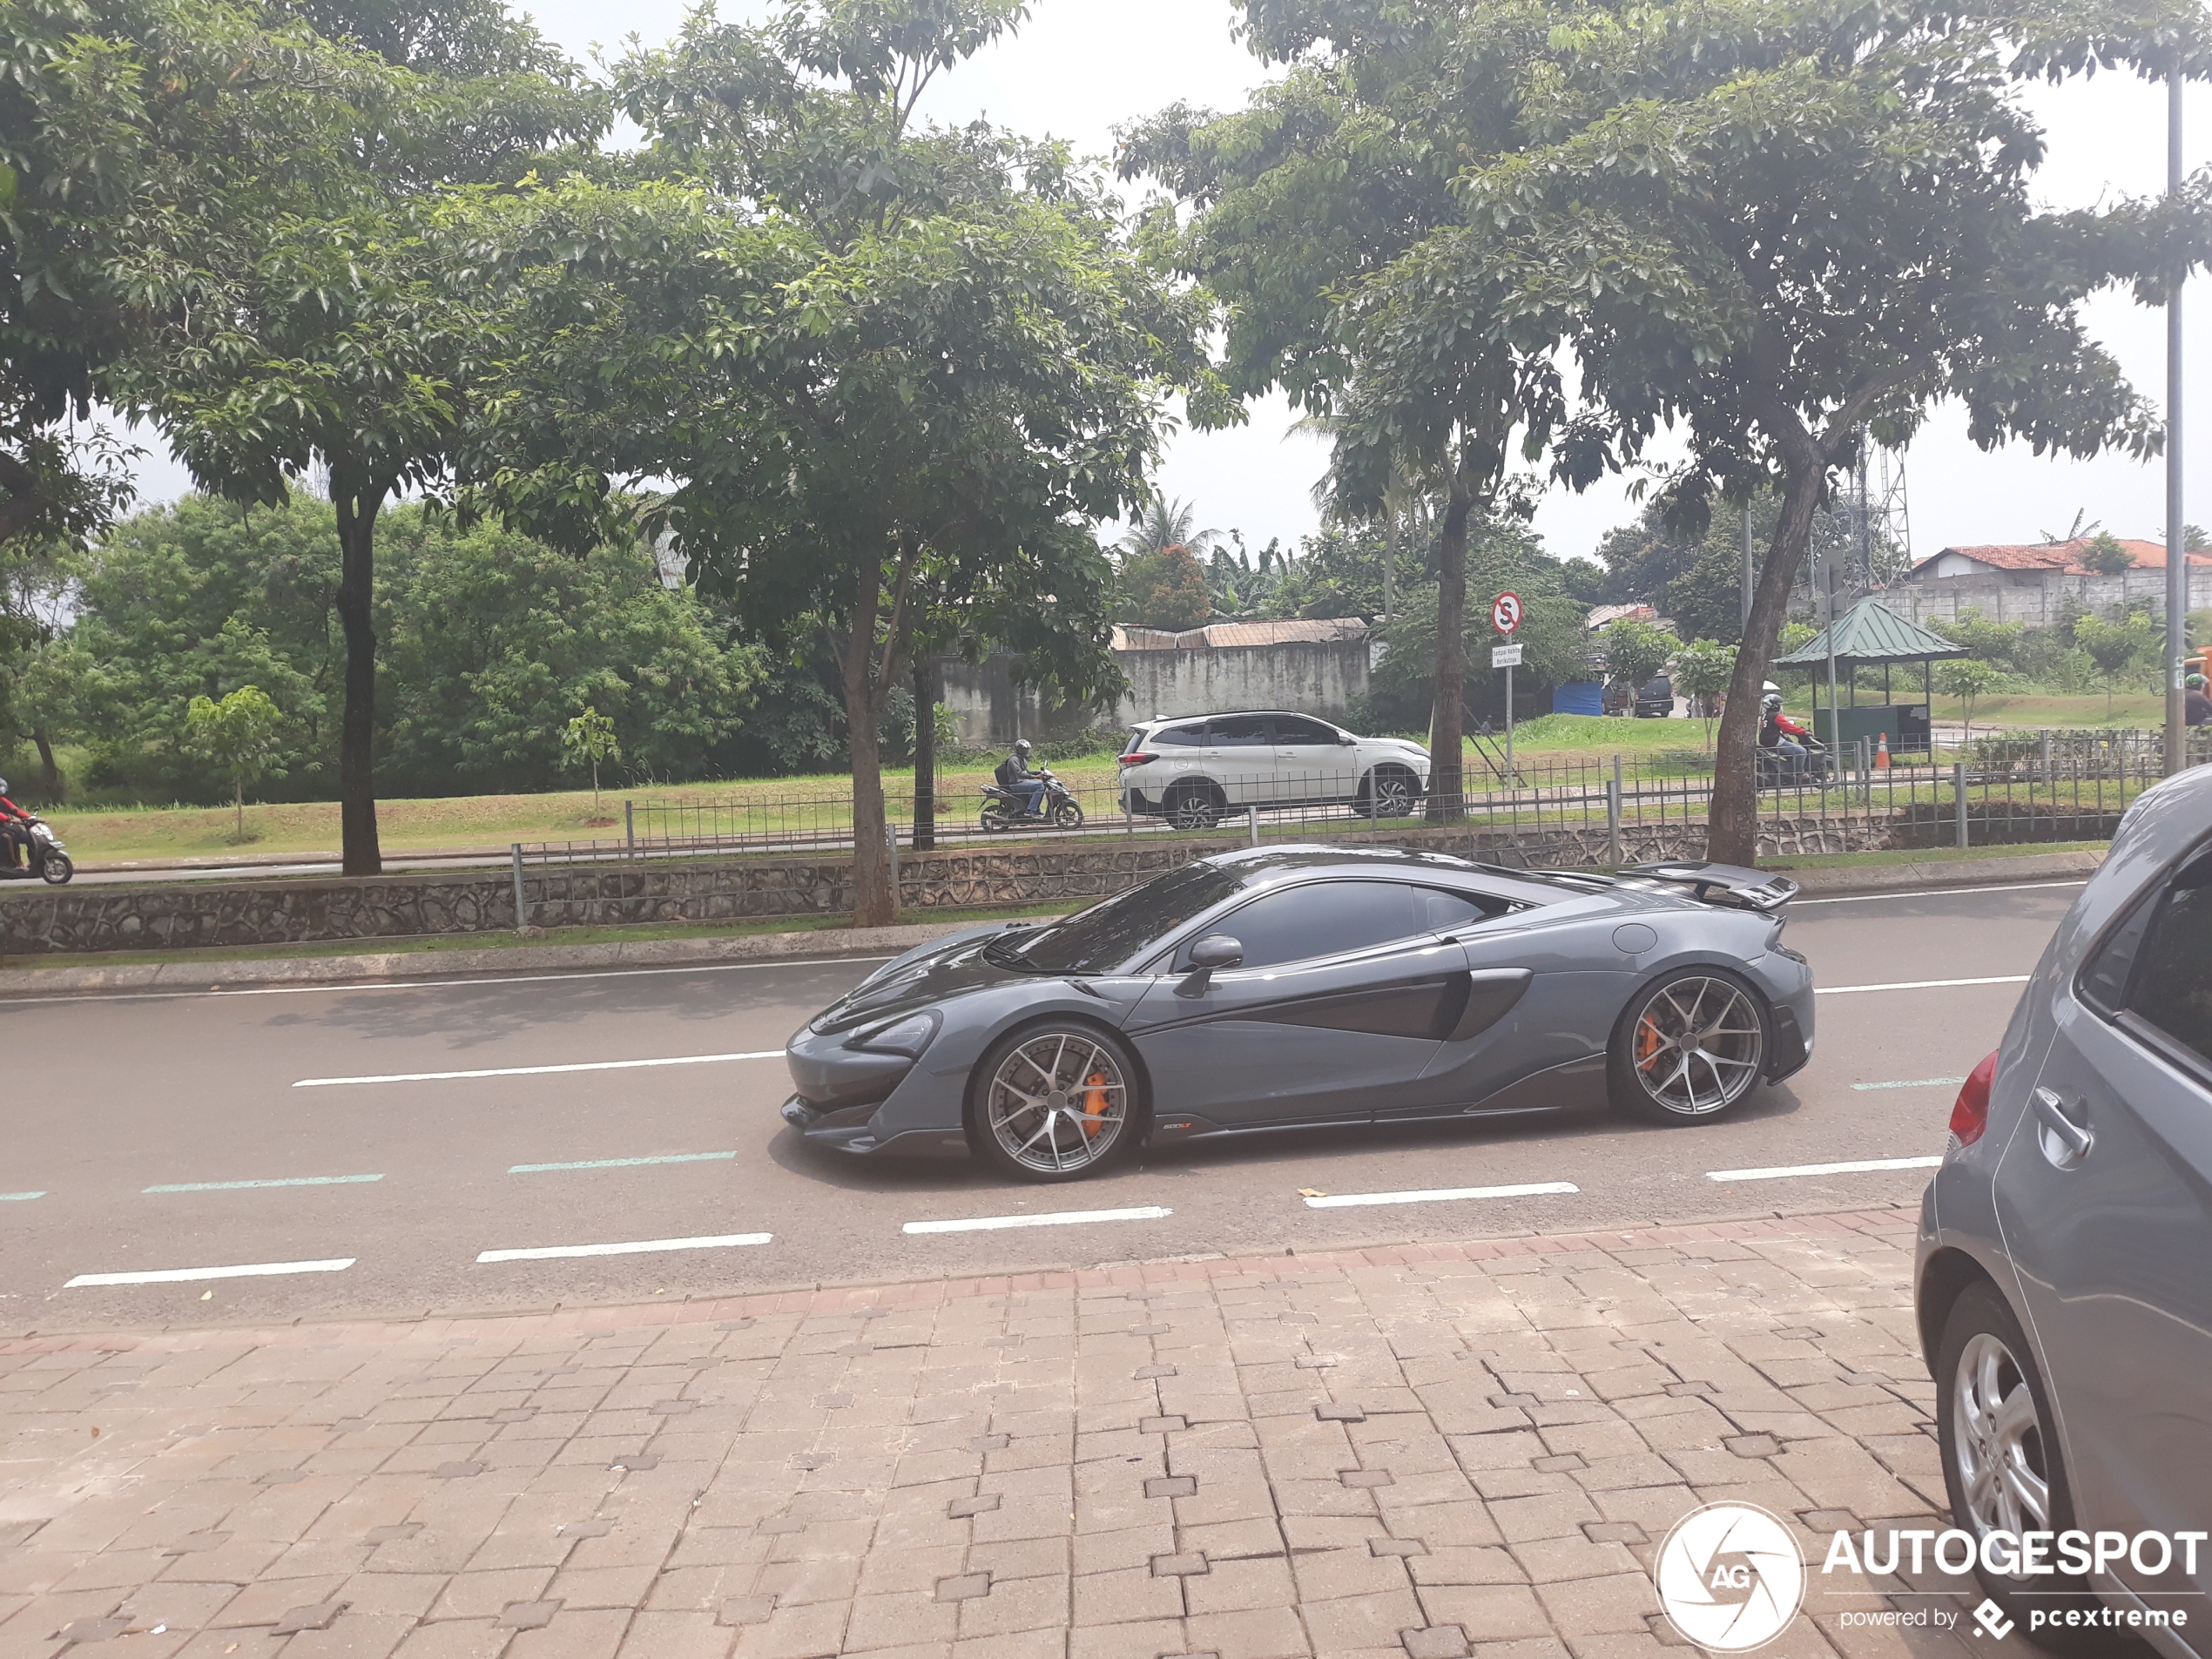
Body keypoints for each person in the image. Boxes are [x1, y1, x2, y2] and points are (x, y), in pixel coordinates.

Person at [1758, 694, 1813, 780]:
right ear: (1775, 705)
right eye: (1780, 705)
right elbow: (1788, 726)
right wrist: (1803, 732)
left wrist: (1787, 732)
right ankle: (1799, 774)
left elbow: (1775, 728)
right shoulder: (1776, 716)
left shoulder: (1765, 715)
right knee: (1801, 751)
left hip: (1766, 741)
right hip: (1775, 742)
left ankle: (1790, 771)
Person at [995, 738, 1047, 817]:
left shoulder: (1021, 759)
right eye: (1024, 749)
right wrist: (1035, 777)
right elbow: (1019, 774)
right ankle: (1031, 810)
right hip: (1016, 784)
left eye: (1027, 749)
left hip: (1022, 782)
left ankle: (1035, 809)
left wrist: (1037, 772)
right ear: (1018, 749)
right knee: (1040, 786)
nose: (1026, 751)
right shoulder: (1014, 759)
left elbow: (1026, 771)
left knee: (1039, 786)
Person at [0, 779, 30, 870]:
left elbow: (16, 810)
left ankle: (35, 862)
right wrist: (9, 819)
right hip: (2, 827)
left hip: (5, 826)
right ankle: (15, 863)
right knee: (10, 837)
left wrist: (31, 818)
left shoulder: (3, 800)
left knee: (28, 835)